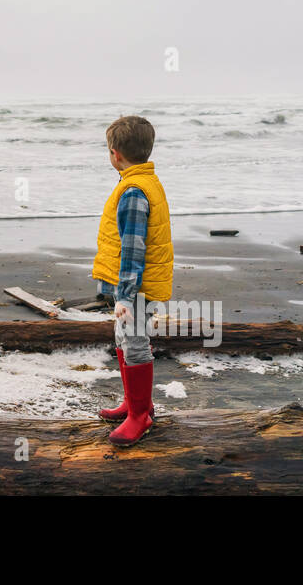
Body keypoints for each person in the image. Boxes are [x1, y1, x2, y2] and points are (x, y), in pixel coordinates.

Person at [91, 115, 174, 447]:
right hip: (131, 286)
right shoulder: (142, 181)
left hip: (135, 288)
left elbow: (133, 248)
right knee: (124, 338)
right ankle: (133, 403)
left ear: (115, 154)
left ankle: (141, 415)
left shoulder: (134, 192)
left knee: (136, 345)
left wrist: (125, 295)